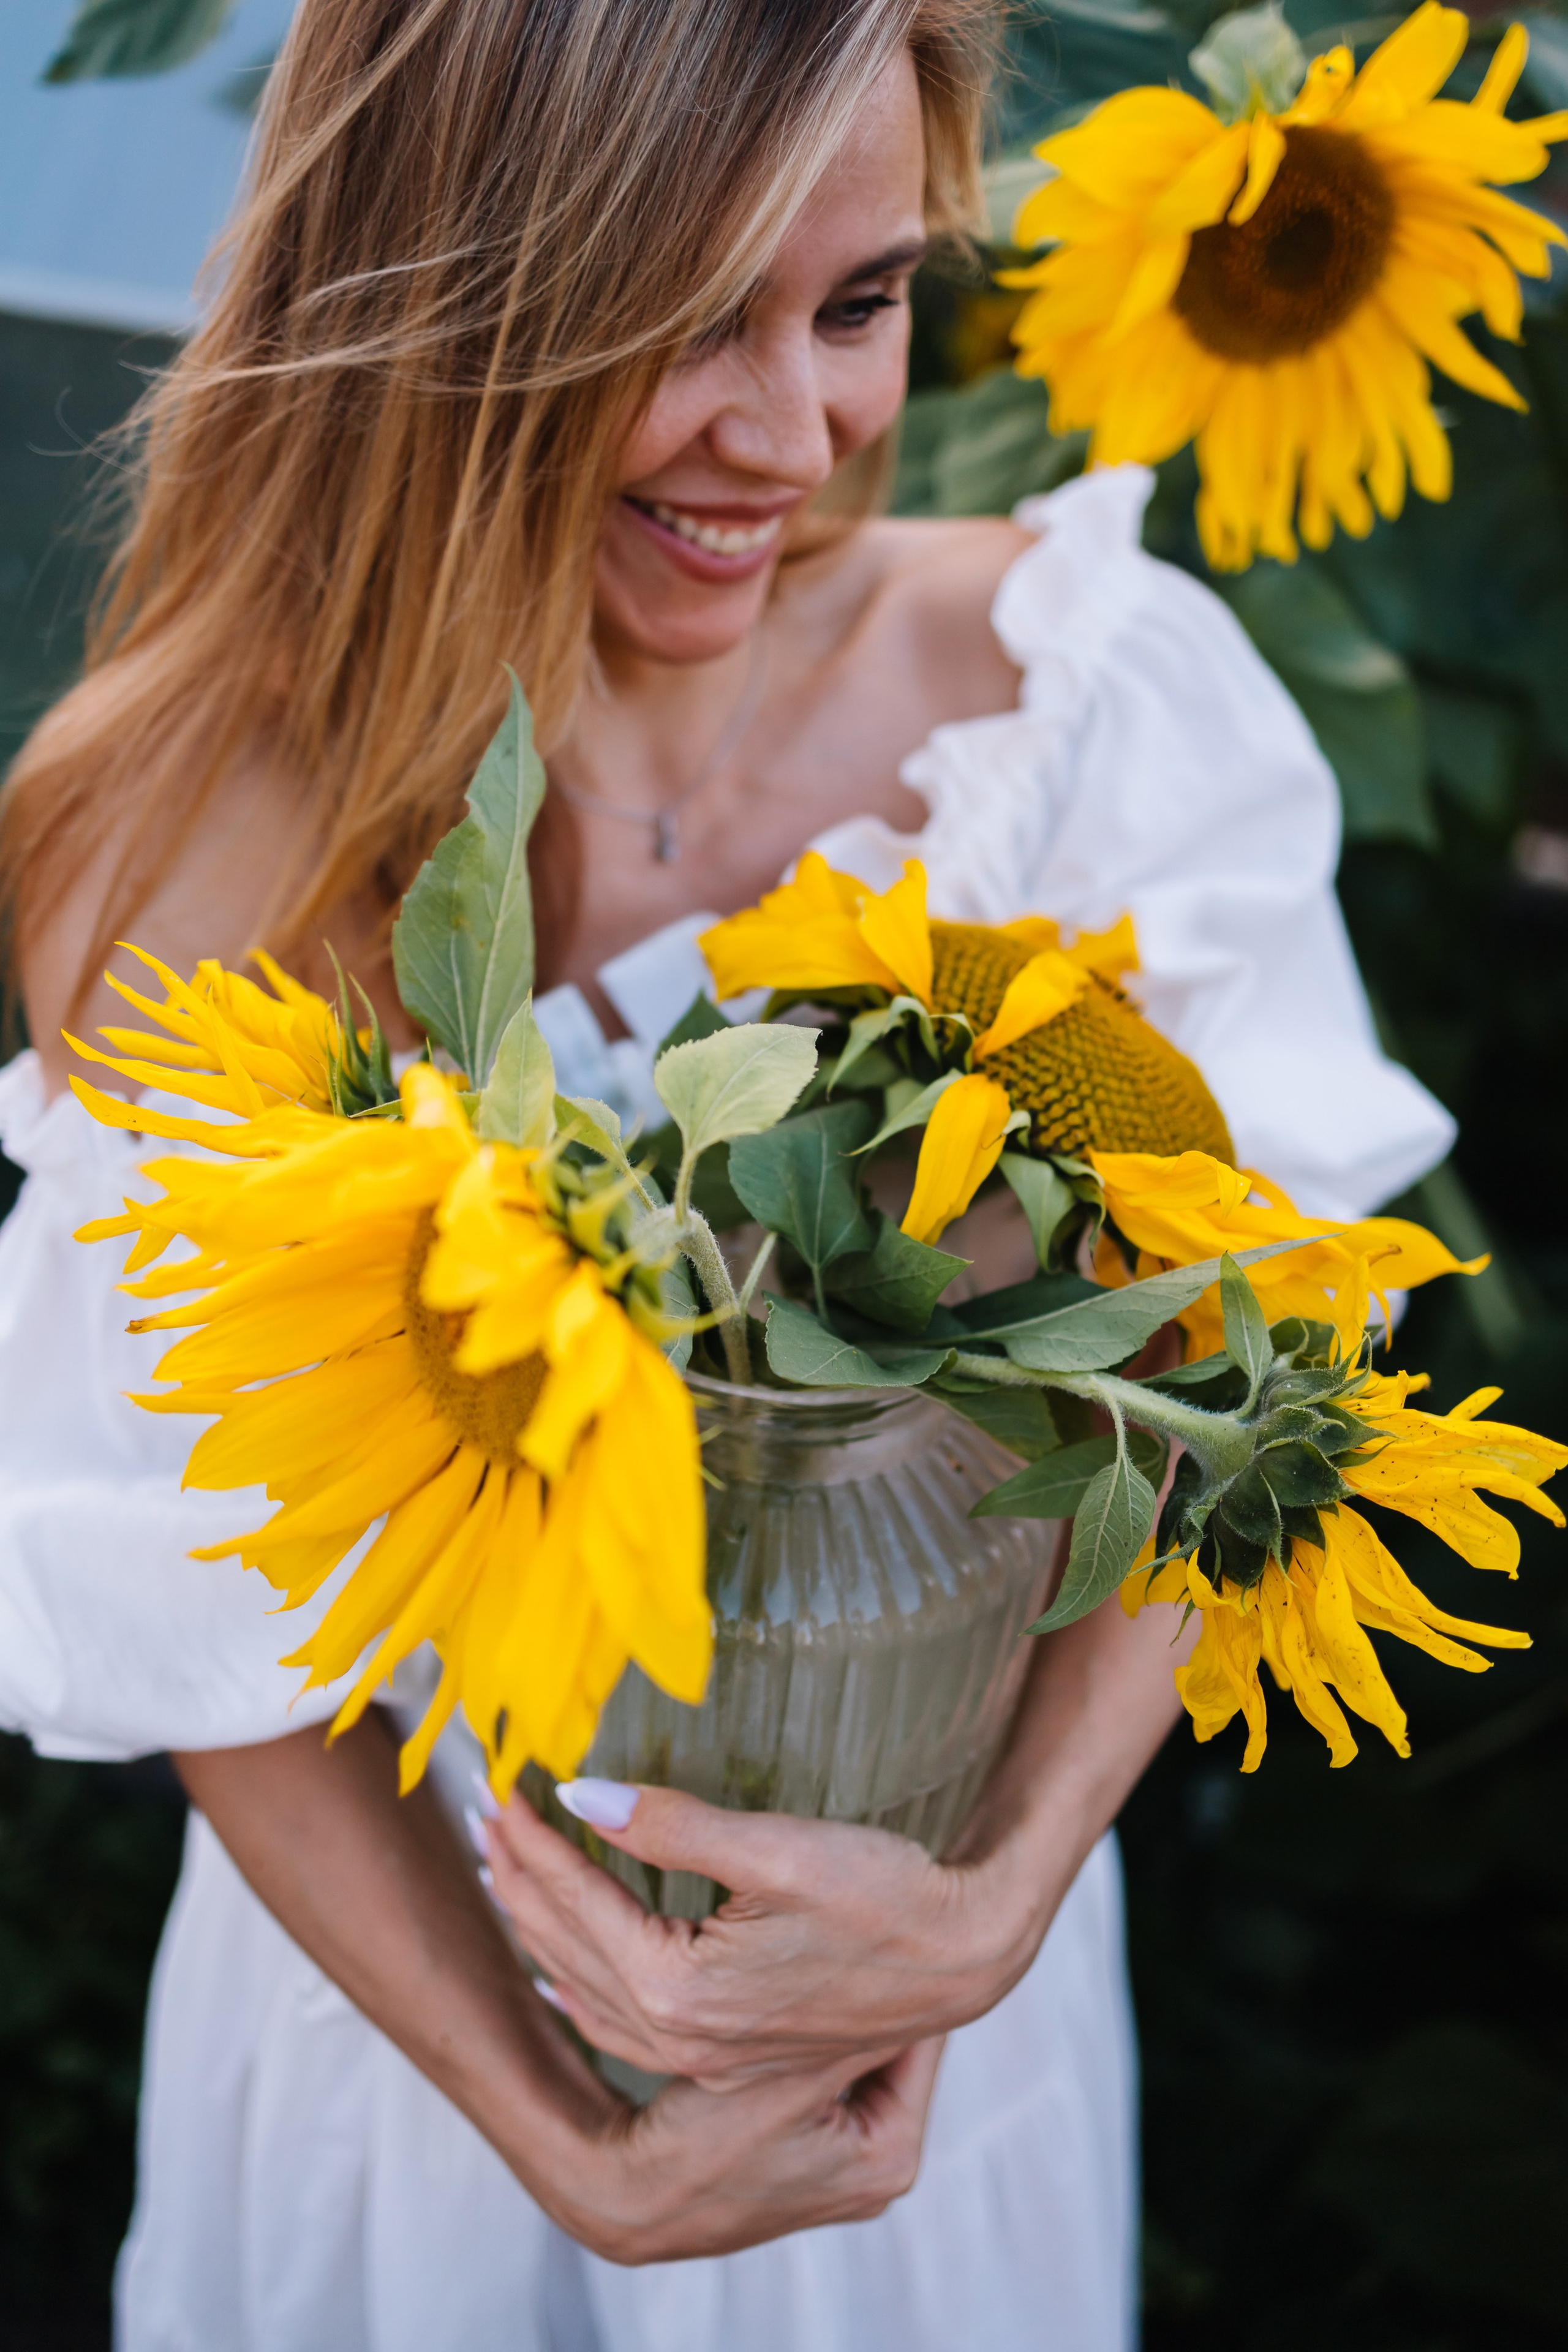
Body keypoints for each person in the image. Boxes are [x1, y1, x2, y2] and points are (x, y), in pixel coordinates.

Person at [0, 0, 1454, 2343]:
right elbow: (204, 1611)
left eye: (863, 302)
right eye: (682, 324)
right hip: (420, 2042)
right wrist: (568, 2136)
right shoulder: (188, 840)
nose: (795, 436)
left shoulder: (1065, 697)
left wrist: (994, 1892)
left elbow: (1276, 1317)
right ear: (448, 305)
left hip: (927, 2031)